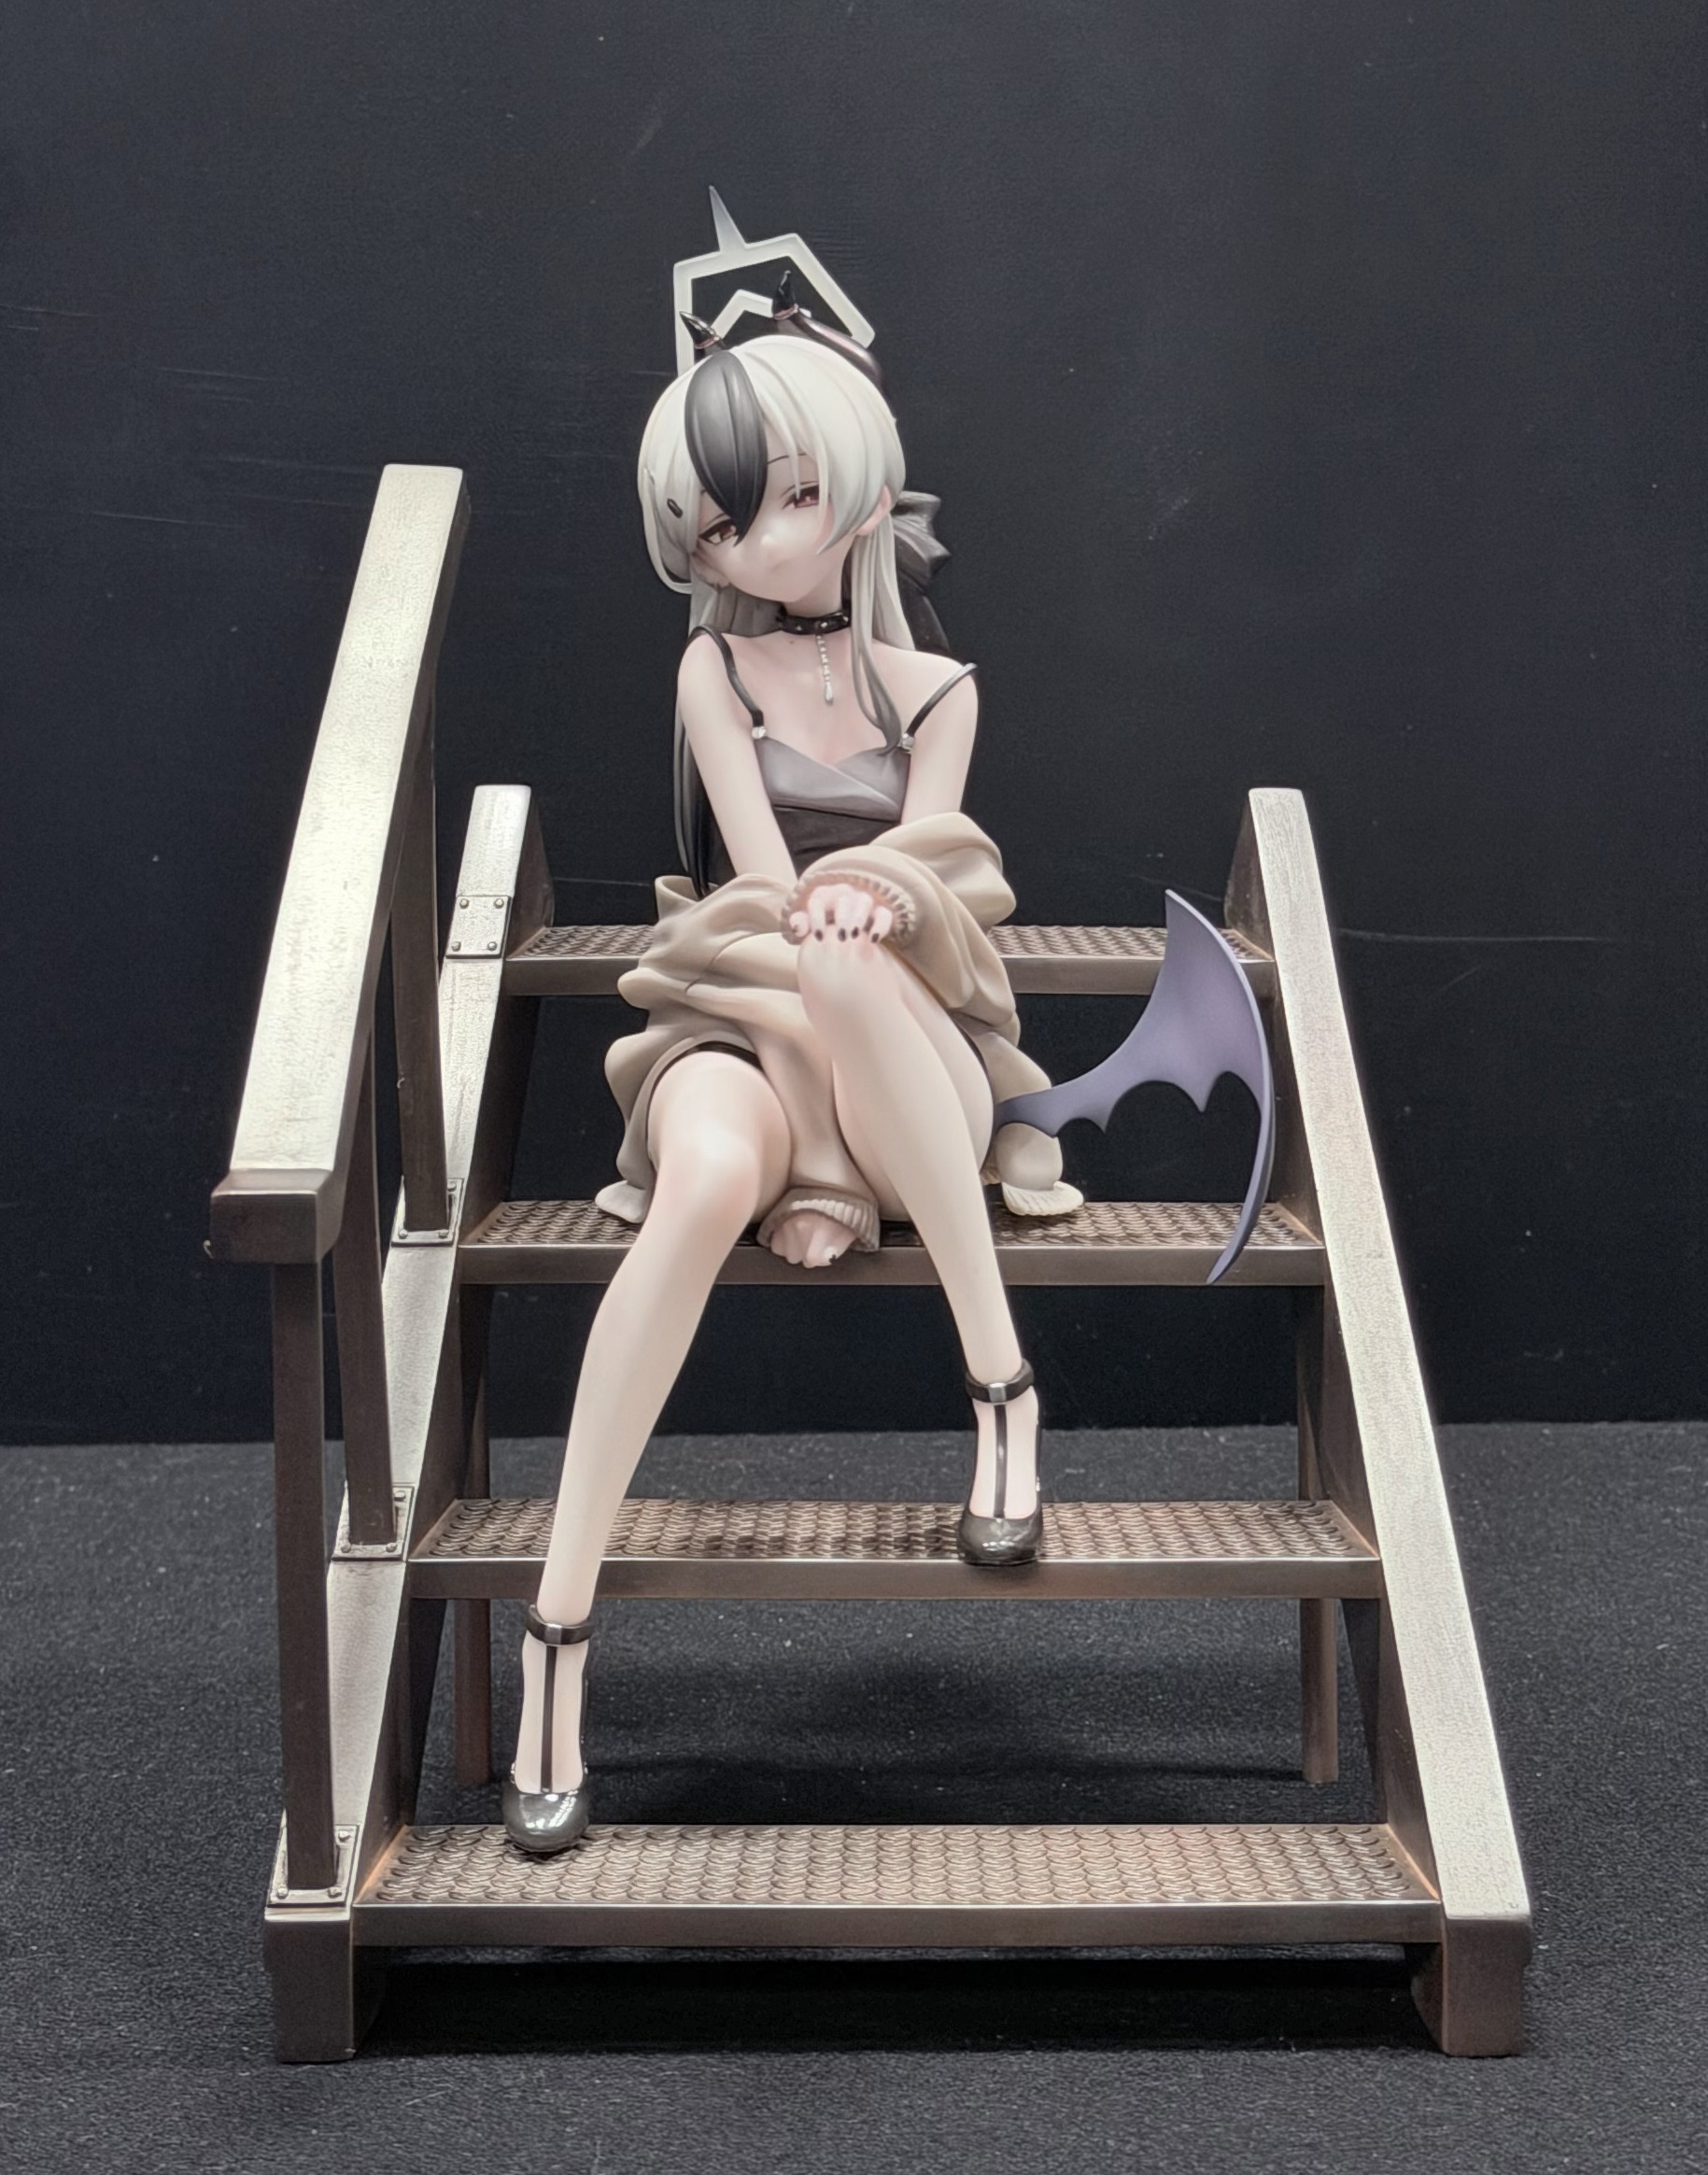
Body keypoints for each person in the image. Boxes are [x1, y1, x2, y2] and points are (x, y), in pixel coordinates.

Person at [503, 315, 1081, 1855]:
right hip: (753, 1008)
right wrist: (802, 1141)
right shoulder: (714, 666)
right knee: (703, 1166)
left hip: (910, 1059)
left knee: (849, 951)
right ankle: (556, 1627)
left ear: (863, 489)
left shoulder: (937, 690)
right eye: (715, 523)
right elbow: (760, 885)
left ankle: (1000, 1382)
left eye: (785, 497)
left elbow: (943, 875)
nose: (751, 541)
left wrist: (884, 898)